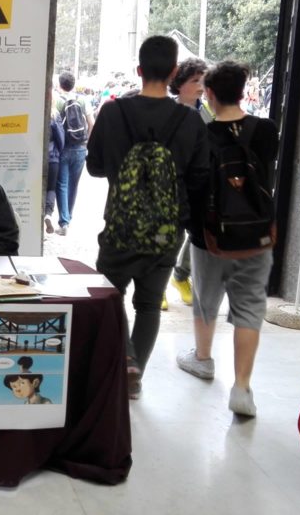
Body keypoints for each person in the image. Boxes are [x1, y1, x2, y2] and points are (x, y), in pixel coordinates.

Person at [86, 35, 209, 399]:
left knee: (110, 296)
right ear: (174, 72)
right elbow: (199, 178)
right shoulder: (190, 120)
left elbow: (94, 167)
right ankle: (134, 374)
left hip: (120, 227)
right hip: (167, 231)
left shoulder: (112, 112)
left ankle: (125, 359)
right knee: (149, 304)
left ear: (139, 70)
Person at [174, 61, 279, 419]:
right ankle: (242, 387)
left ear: (209, 93)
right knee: (249, 307)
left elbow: (194, 184)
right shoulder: (266, 130)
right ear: (242, 90)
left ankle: (203, 360)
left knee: (206, 301)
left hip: (210, 236)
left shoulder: (201, 133)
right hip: (256, 235)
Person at [161, 57, 213, 310]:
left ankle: (180, 276)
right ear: (179, 83)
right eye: (195, 80)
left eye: (203, 80)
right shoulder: (166, 112)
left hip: (200, 185)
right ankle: (157, 285)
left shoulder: (207, 112)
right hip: (170, 185)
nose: (201, 86)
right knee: (168, 236)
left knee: (198, 235)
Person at [53, 72, 95, 236]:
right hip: (80, 148)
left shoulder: (58, 101)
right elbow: (91, 123)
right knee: (73, 185)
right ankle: (68, 218)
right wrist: (87, 143)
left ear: (60, 84)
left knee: (61, 184)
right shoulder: (82, 100)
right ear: (73, 84)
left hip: (63, 148)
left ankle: (64, 222)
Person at [45, 104, 66, 234]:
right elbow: (61, 140)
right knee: (51, 188)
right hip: (52, 157)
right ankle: (48, 213)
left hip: (36, 159)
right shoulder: (54, 114)